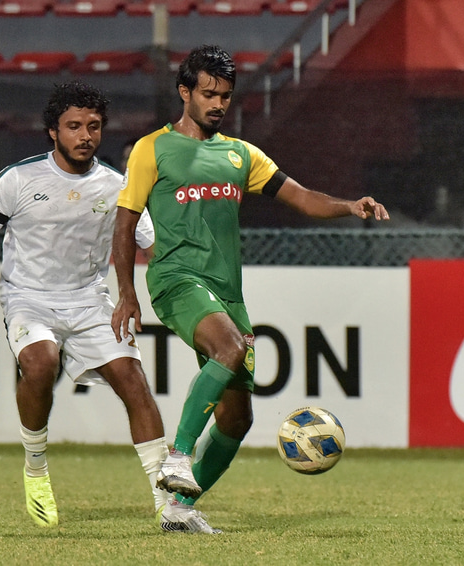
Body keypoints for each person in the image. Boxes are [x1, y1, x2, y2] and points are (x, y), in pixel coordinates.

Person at [111, 45, 390, 535]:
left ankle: (177, 509)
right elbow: (125, 222)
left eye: (225, 96)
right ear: (185, 92)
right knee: (230, 347)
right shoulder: (151, 149)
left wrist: (349, 205)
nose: (218, 104)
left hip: (227, 293)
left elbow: (302, 197)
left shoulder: (242, 155)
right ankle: (178, 456)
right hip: (176, 279)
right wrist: (127, 292)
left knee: (237, 419)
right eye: (209, 94)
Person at [0, 81, 195, 528]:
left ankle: (167, 504)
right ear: (53, 131)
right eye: (73, 126)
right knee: (41, 363)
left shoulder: (117, 187)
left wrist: (181, 292)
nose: (85, 135)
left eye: (93, 126)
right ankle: (36, 468)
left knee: (133, 382)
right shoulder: (19, 179)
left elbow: (156, 249)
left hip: (89, 301)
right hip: (28, 297)